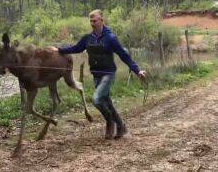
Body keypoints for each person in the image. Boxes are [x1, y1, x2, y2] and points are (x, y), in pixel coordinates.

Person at [51, 9, 146, 139]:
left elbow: (124, 55)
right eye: (90, 21)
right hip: (96, 74)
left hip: (108, 74)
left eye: (94, 20)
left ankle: (109, 121)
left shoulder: (110, 38)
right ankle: (121, 126)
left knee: (96, 99)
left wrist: (137, 70)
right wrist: (59, 50)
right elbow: (76, 48)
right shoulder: (88, 38)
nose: (92, 23)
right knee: (106, 101)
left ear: (102, 21)